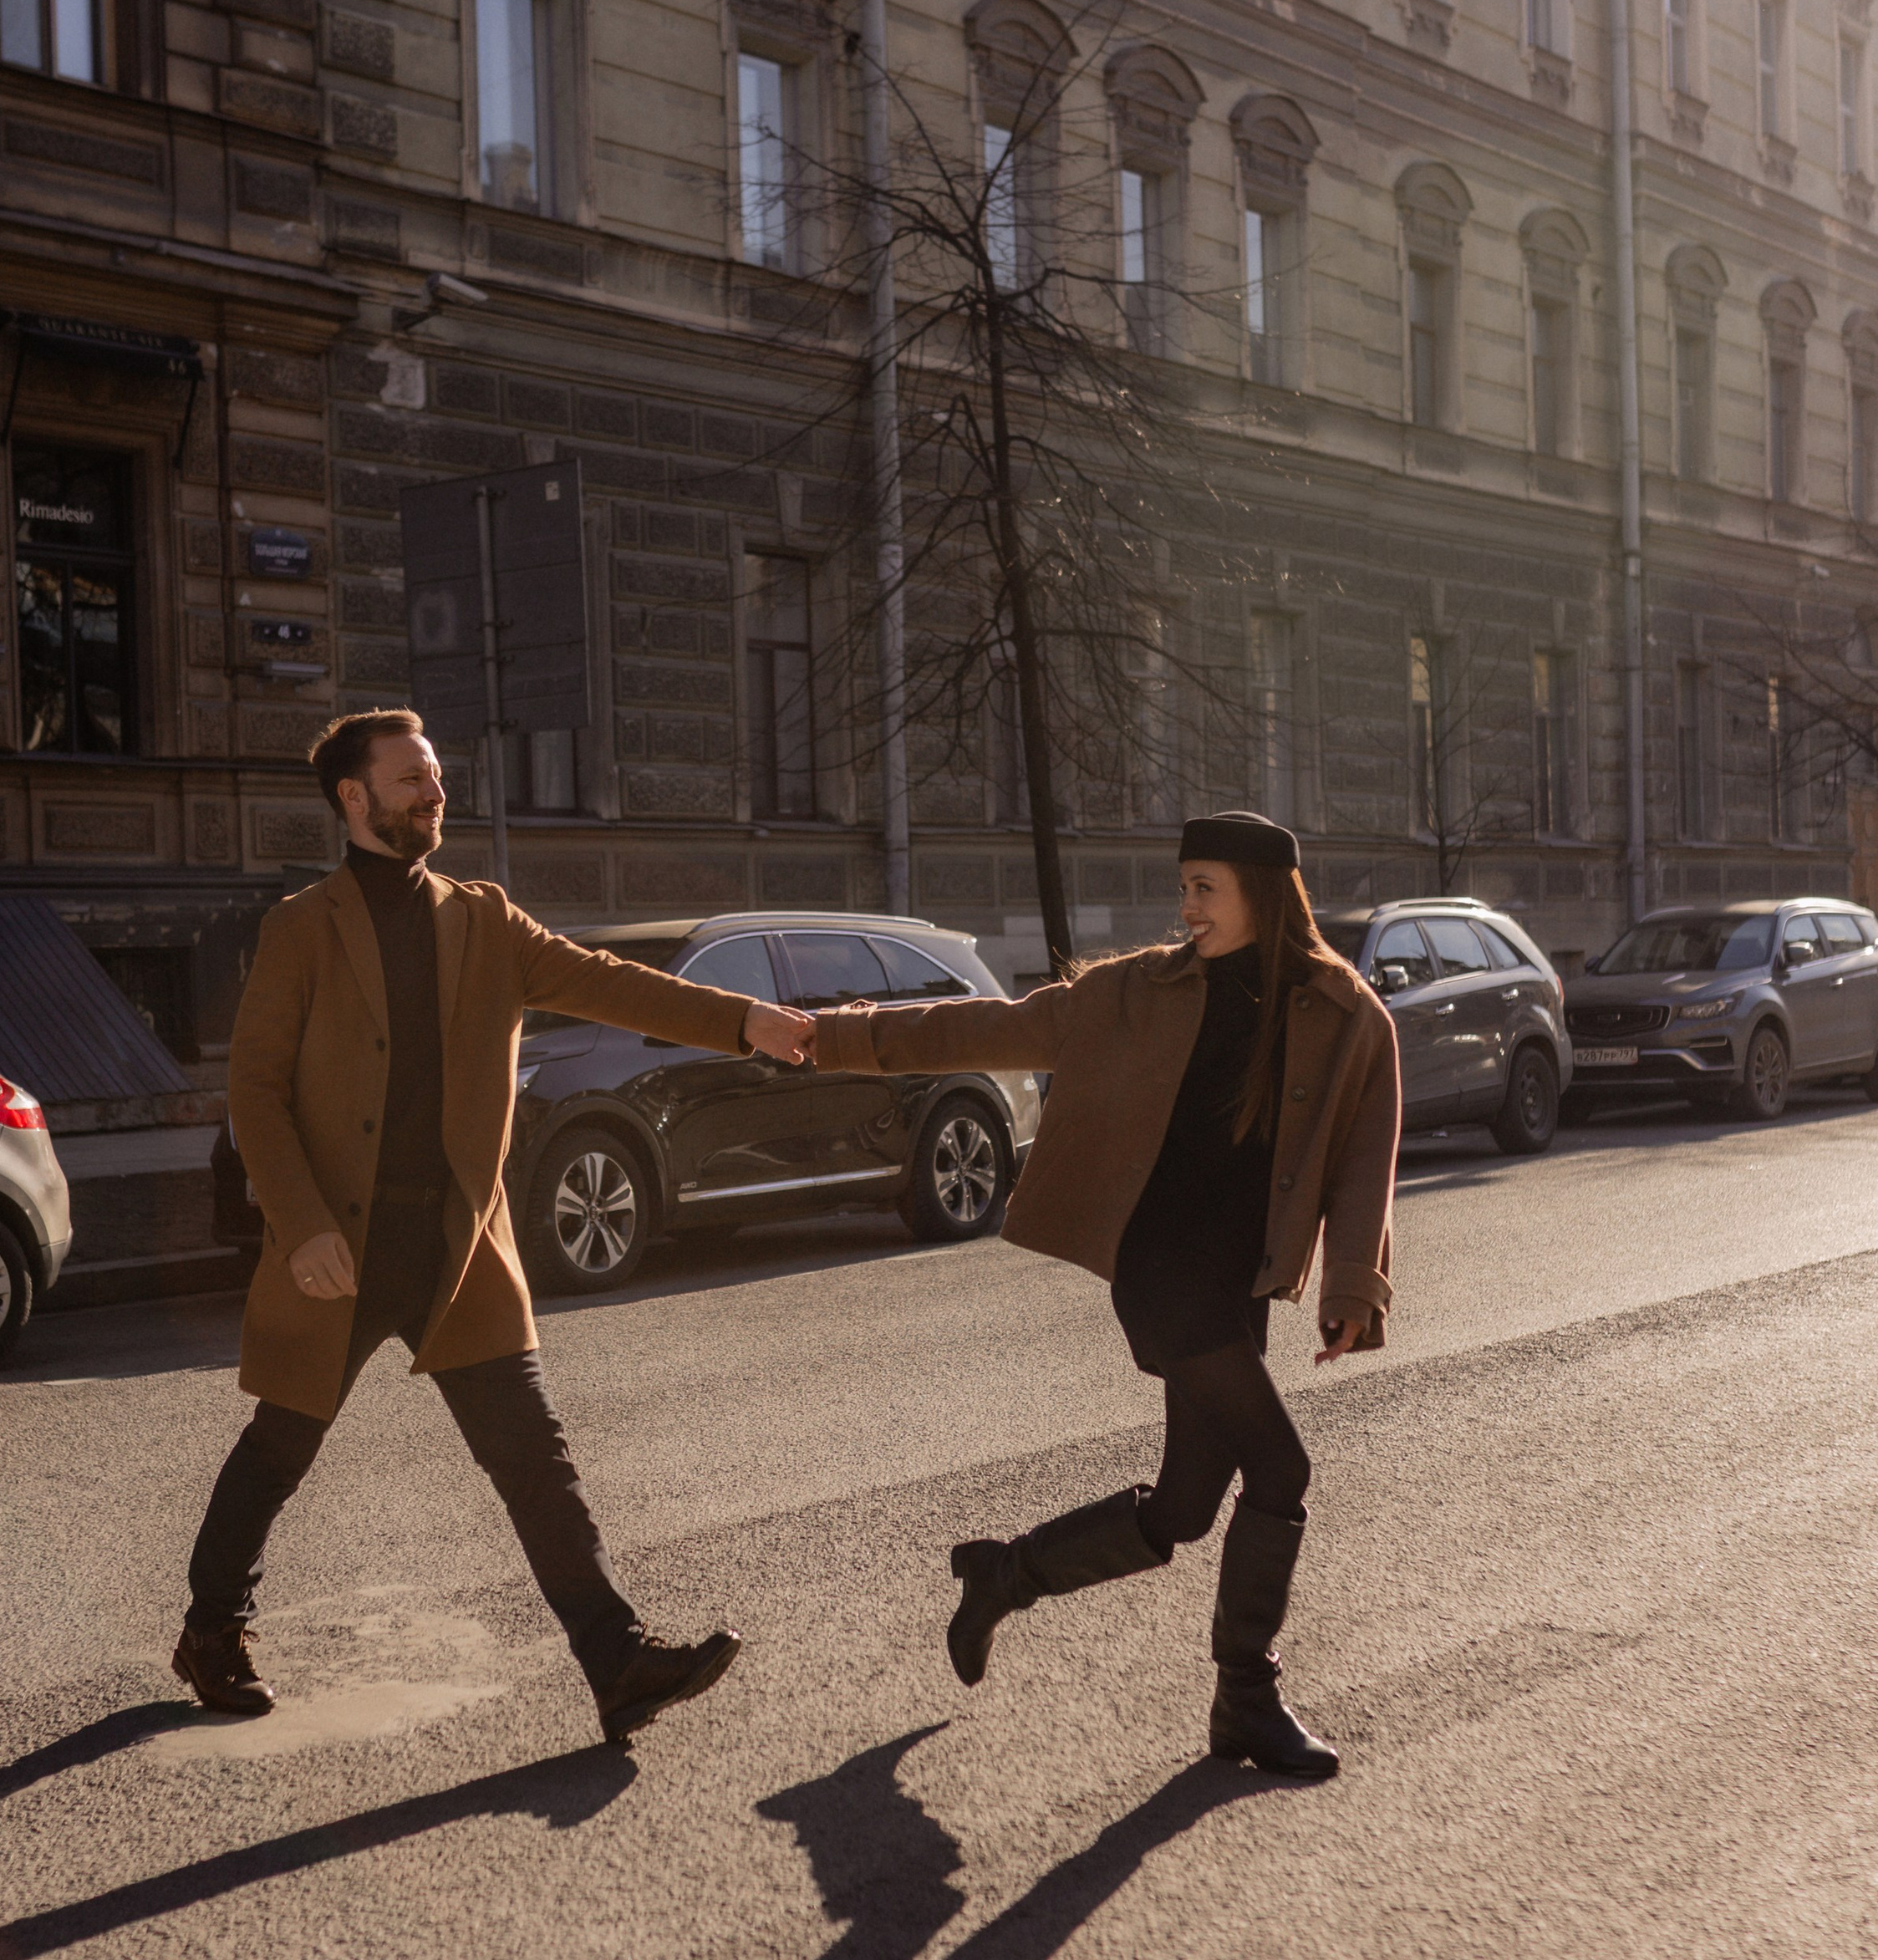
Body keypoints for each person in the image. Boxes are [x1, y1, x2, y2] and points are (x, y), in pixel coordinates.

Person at [172, 706, 817, 1744]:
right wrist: (299, 1227)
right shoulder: (300, 928)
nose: (435, 792)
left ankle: (615, 1660)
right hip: (339, 1245)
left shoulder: (484, 919)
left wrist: (742, 1021)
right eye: (412, 778)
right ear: (354, 797)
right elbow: (255, 1092)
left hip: (455, 1246)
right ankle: (211, 1630)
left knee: (532, 1458)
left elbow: (608, 982)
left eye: (435, 775)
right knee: (279, 1447)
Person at [808, 812, 1399, 1777]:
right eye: (1184, 887)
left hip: (1234, 1280)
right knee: (1281, 1470)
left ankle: (1002, 1574)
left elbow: (1365, 1158)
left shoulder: (1345, 1012)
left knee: (1184, 1506)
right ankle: (1246, 1700)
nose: (1186, 907)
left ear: (1261, 892)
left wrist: (1352, 1287)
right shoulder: (1134, 991)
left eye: (1204, 887)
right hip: (1162, 1269)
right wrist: (831, 1037)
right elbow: (990, 1026)